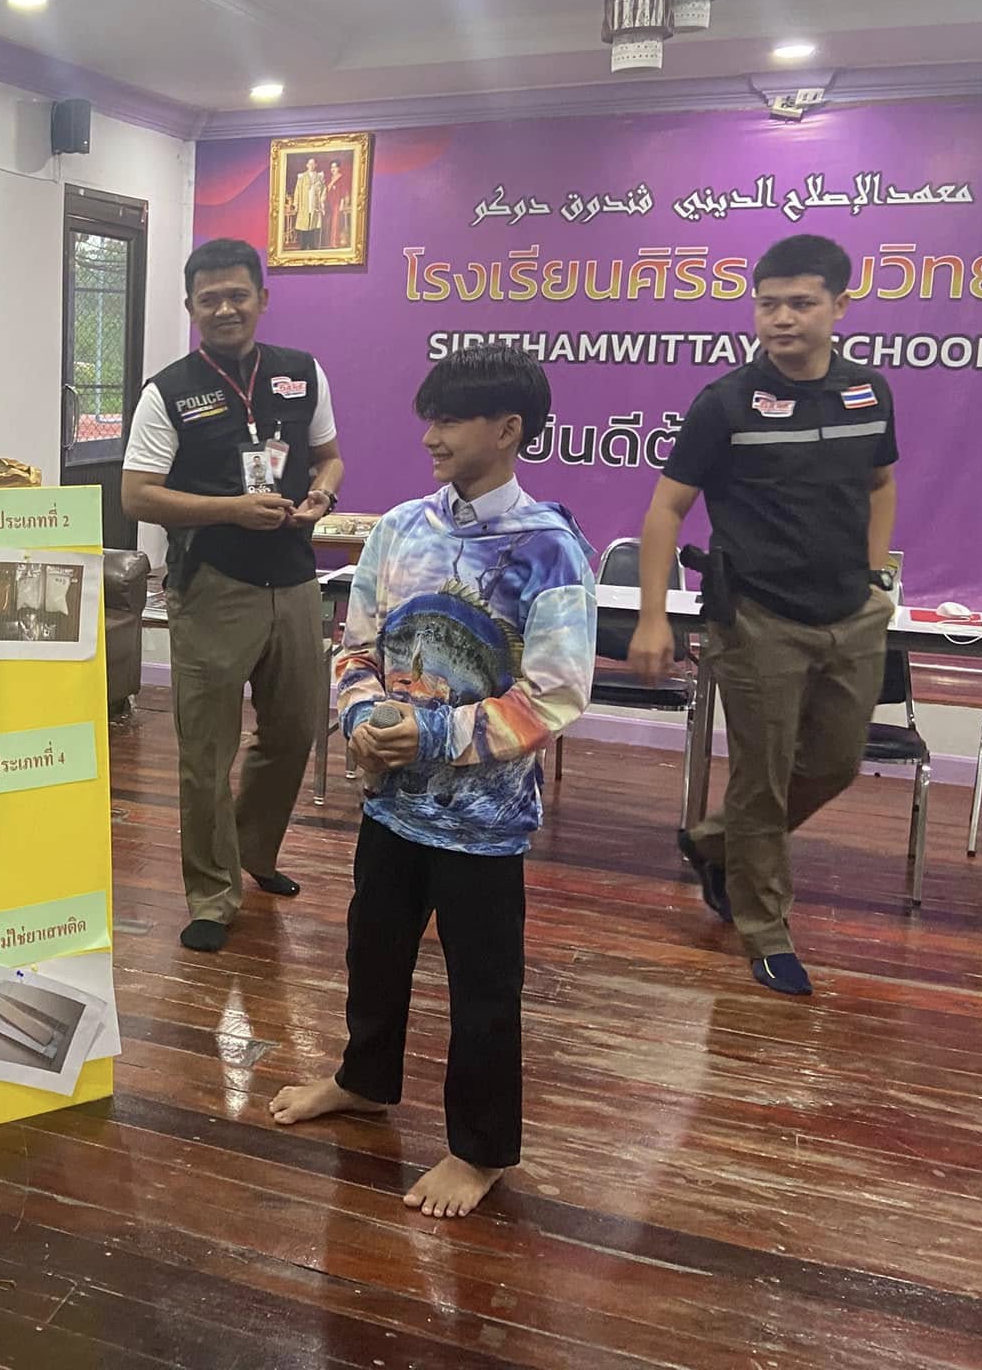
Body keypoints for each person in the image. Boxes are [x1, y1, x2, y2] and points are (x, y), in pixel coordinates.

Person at [270, 345, 595, 1219]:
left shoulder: (550, 549)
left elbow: (554, 695)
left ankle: (479, 1151)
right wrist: (360, 720)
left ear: (509, 429)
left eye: (450, 420)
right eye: (430, 418)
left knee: (484, 986)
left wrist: (430, 733)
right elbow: (357, 649)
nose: (431, 437)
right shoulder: (399, 530)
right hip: (391, 806)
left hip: (485, 826)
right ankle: (364, 1079)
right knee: (372, 949)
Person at [627, 234, 898, 997]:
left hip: (851, 612)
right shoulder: (725, 403)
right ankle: (766, 928)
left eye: (801, 303)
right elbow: (665, 511)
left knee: (836, 763)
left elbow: (881, 484)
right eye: (768, 304)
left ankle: (715, 844)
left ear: (840, 306)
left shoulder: (869, 392)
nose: (782, 318)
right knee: (763, 779)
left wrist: (874, 574)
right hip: (755, 619)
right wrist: (653, 617)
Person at [122, 238, 344, 952]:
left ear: (262, 299)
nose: (224, 308)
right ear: (190, 307)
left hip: (297, 578)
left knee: (295, 731)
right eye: (209, 298)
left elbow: (330, 456)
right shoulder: (167, 391)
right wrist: (230, 511)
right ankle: (212, 895)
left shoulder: (301, 373)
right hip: (213, 585)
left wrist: (321, 494)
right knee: (206, 753)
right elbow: (137, 495)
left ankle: (254, 850)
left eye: (237, 295)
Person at [290, 160, 325, 252]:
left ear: (316, 165)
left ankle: (312, 244)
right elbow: (297, 191)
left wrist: (322, 203)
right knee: (304, 225)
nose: (311, 166)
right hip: (304, 205)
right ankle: (303, 245)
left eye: (313, 164)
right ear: (307, 165)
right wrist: (296, 204)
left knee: (312, 225)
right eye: (310, 164)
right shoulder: (302, 177)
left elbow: (323, 190)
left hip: (314, 205)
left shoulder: (319, 177)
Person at [322, 158, 349, 250]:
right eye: (331, 167)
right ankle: (329, 242)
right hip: (329, 203)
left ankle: (335, 243)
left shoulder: (341, 178)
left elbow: (343, 192)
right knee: (329, 223)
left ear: (338, 168)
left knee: (335, 223)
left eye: (335, 167)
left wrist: (342, 204)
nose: (333, 169)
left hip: (337, 203)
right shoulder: (330, 179)